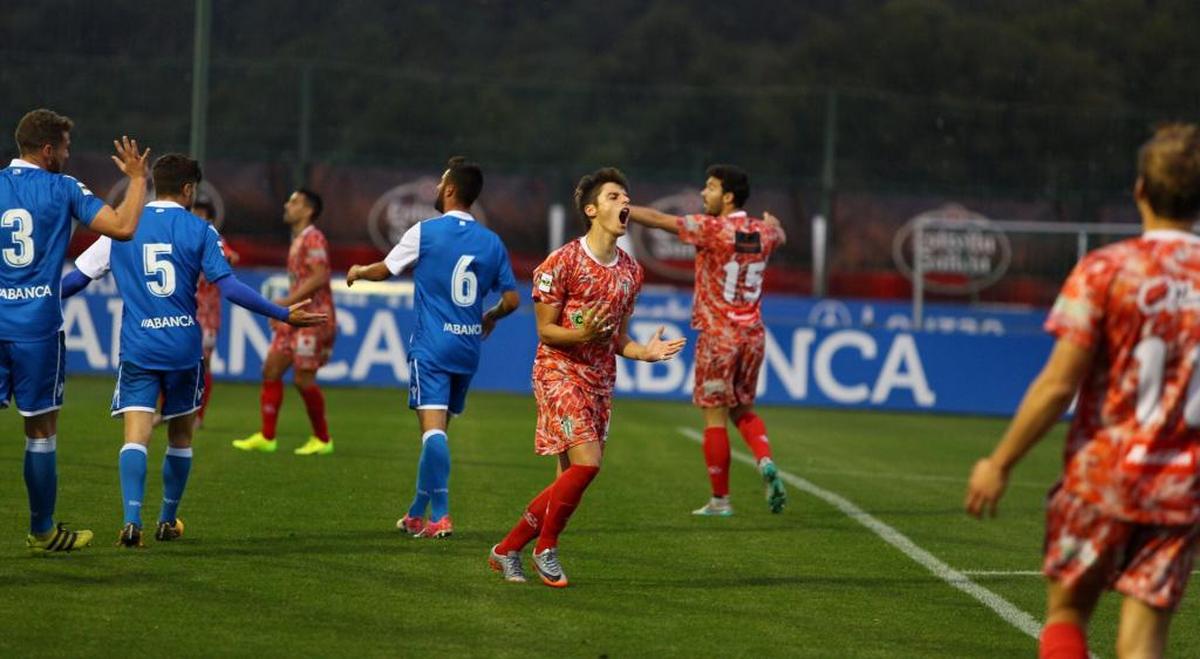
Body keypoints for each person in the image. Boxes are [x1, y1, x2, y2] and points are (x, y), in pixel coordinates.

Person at [965, 123, 1200, 659]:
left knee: (1068, 613)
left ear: (1139, 190)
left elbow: (1057, 385)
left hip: (1101, 479)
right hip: (1179, 489)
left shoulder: (1105, 271)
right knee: (1145, 642)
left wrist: (1000, 462)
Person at [63, 154, 326, 547]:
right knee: (181, 437)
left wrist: (30, 301)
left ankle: (131, 519)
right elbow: (231, 288)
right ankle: (168, 520)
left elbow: (75, 280)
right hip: (184, 347)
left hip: (139, 346)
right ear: (188, 190)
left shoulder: (121, 227)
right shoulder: (201, 230)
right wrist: (282, 313)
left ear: (155, 184)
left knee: (135, 437)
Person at [489, 167, 686, 587]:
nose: (625, 203)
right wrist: (582, 333)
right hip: (558, 372)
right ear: (591, 209)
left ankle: (506, 550)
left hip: (600, 381)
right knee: (588, 464)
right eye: (614, 196)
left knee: (569, 480)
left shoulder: (632, 272)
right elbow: (545, 330)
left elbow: (619, 338)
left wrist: (643, 352)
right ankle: (547, 548)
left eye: (627, 196)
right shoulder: (561, 262)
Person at [347, 156, 520, 539]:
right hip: (467, 348)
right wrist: (489, 316)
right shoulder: (492, 242)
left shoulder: (425, 232)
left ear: (452, 190)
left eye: (442, 183)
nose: (438, 189)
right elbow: (512, 300)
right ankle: (414, 512)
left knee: (432, 434)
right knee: (439, 432)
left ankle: (440, 515)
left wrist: (358, 271)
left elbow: (383, 270)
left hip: (432, 346)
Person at [1, 108, 150, 554]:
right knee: (41, 431)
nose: (68, 154)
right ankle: (43, 530)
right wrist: (139, 179)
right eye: (65, 147)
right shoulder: (63, 188)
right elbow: (123, 227)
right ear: (48, 151)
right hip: (37, 330)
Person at [627, 165, 787, 516]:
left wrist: (621, 208)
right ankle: (764, 460)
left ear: (728, 197)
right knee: (743, 409)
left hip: (719, 336)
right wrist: (774, 224)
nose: (704, 193)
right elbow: (780, 234)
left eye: (711, 187)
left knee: (714, 418)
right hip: (754, 335)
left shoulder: (712, 229)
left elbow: (656, 219)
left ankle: (720, 500)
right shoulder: (764, 233)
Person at [232, 188, 337, 455]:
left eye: (294, 202)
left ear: (309, 210)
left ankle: (323, 440)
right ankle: (267, 436)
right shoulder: (299, 239)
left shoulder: (313, 238)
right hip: (296, 316)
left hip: (313, 318)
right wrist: (285, 313)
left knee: (303, 380)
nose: (287, 205)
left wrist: (285, 302)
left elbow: (320, 276)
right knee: (271, 369)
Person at [191, 198, 238, 429]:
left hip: (207, 315)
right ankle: (170, 409)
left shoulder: (214, 239)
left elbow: (231, 256)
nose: (197, 218)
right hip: (182, 309)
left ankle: (198, 415)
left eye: (202, 214)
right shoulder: (182, 236)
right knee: (173, 361)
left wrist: (225, 259)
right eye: (194, 213)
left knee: (204, 363)